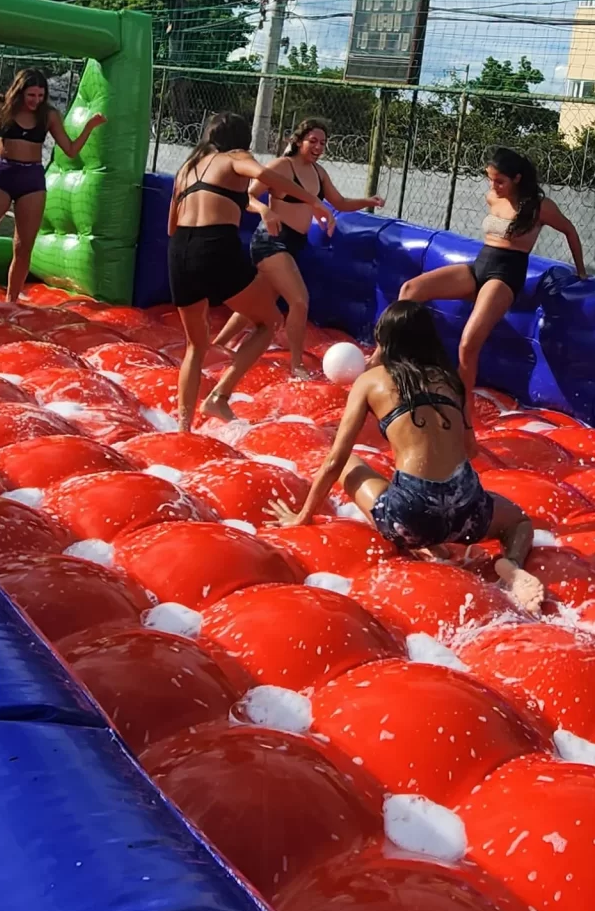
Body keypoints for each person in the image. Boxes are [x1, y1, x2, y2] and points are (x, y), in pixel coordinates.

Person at [269, 300, 543, 611]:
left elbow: (335, 459)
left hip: (411, 517)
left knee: (352, 466)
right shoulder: (450, 380)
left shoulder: (370, 381)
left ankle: (427, 545)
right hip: (468, 510)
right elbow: (471, 450)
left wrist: (303, 516)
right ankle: (513, 565)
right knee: (519, 522)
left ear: (386, 341)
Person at [395, 145, 585, 400]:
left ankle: (463, 414)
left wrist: (581, 272)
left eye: (500, 181)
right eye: (490, 179)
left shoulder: (540, 206)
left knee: (467, 344)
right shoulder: (492, 198)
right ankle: (383, 357)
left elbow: (570, 231)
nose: (493, 185)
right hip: (480, 266)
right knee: (410, 289)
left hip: (505, 276)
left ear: (517, 179)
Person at [215, 120, 381, 379]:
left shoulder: (318, 173)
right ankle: (296, 365)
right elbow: (246, 196)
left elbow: (340, 202)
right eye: (313, 141)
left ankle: (218, 345)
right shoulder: (282, 166)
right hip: (270, 240)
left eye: (323, 143)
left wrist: (368, 201)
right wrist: (264, 210)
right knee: (299, 300)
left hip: (293, 244)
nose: (318, 147)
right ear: (299, 141)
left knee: (260, 301)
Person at [166, 111, 284, 430]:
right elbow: (263, 174)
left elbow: (171, 225)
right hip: (213, 245)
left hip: (179, 250)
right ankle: (219, 395)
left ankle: (183, 427)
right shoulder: (235, 158)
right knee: (270, 321)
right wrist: (311, 201)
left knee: (196, 345)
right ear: (239, 142)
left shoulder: (187, 168)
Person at [0, 67, 106, 311]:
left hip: (31, 180)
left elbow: (70, 149)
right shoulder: (0, 105)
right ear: (19, 92)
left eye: (40, 95)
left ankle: (11, 301)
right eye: (31, 95)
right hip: (2, 174)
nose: (36, 100)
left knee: (23, 246)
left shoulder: (48, 116)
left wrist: (89, 127)